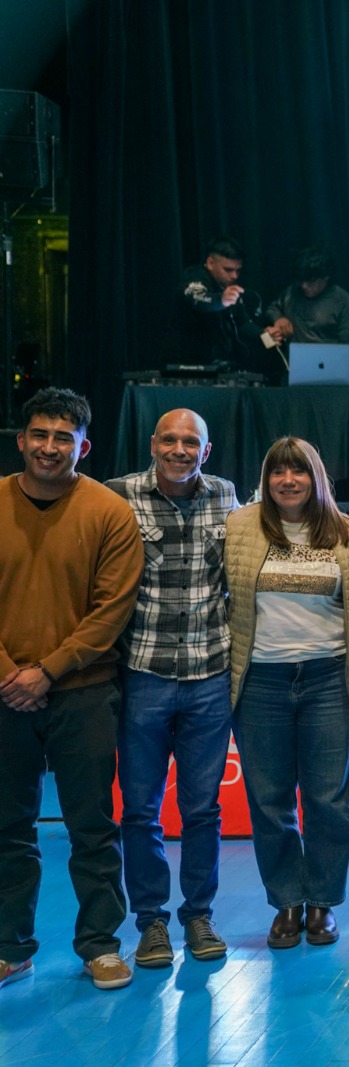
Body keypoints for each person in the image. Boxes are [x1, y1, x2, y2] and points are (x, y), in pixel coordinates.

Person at [0, 388, 141, 991]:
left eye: (64, 438)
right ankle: (10, 947)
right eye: (40, 434)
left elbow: (112, 610)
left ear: (83, 447)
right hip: (4, 693)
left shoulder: (109, 511)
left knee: (92, 824)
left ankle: (100, 946)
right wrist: (10, 674)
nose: (49, 447)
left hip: (84, 692)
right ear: (21, 440)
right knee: (7, 826)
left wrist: (47, 671)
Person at [224, 437, 349, 950]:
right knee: (269, 800)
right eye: (278, 472)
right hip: (260, 680)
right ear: (266, 479)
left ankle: (322, 902)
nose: (288, 481)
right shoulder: (240, 527)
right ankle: (287, 901)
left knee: (329, 800)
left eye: (299, 471)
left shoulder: (347, 532)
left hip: (328, 677)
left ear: (316, 477)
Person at [107, 409, 239, 969]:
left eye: (191, 442)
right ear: (152, 443)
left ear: (205, 451)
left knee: (202, 809)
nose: (179, 450)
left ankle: (199, 916)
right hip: (143, 675)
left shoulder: (226, 496)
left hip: (210, 676)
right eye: (170, 439)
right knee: (140, 810)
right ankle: (151, 922)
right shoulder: (117, 496)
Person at [168, 237, 271, 375]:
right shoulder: (194, 278)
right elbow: (199, 299)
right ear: (210, 263)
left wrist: (265, 335)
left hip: (217, 366)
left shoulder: (228, 287)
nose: (234, 276)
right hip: (186, 366)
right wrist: (220, 300)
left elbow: (242, 324)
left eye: (238, 270)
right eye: (228, 270)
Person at [265, 244, 349, 347]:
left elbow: (348, 347)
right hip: (293, 356)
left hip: (325, 356)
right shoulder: (292, 292)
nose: (304, 286)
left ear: (326, 277)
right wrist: (279, 318)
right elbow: (273, 308)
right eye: (301, 280)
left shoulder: (345, 303)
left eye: (311, 281)